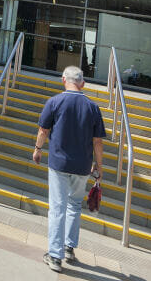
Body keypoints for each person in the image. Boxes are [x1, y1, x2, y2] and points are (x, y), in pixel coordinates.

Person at [32, 66, 106, 272]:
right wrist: (99, 167)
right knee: (74, 205)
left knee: (57, 207)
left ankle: (55, 256)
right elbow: (98, 141)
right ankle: (68, 248)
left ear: (63, 79)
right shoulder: (93, 107)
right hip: (82, 166)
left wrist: (37, 149)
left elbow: (43, 130)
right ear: (82, 83)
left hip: (59, 164)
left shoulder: (54, 102)